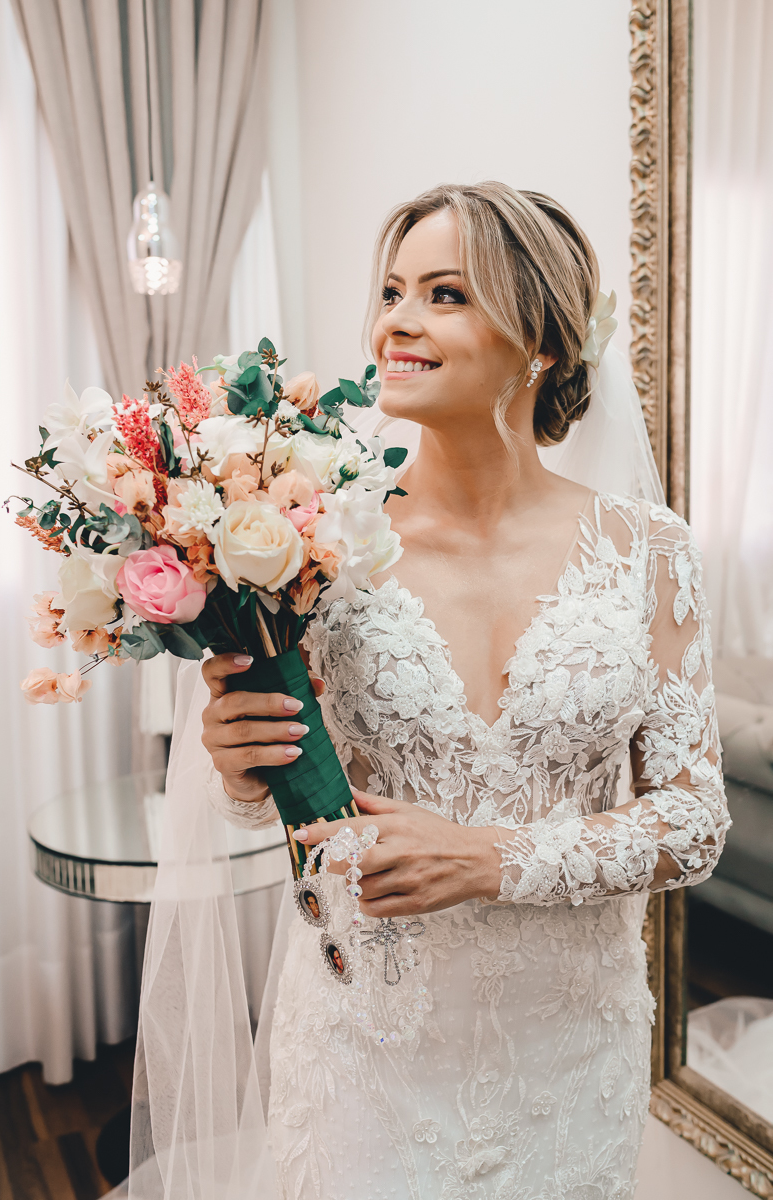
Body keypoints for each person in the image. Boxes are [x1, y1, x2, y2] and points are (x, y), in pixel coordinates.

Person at [191, 183, 729, 1199]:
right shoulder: (316, 545)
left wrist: (492, 858)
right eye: (391, 291)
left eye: (444, 294)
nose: (397, 319)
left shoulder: (652, 553)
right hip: (370, 1042)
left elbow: (696, 822)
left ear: (541, 340)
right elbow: (279, 794)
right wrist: (238, 762)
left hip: (569, 1053)